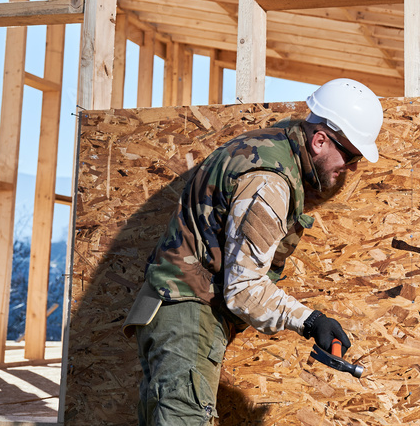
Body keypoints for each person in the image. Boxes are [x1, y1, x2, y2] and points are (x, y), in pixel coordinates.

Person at [123, 78, 384, 426]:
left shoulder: (270, 146)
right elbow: (243, 289)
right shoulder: (269, 182)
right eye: (351, 155)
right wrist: (310, 321)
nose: (352, 168)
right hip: (185, 319)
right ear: (320, 140)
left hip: (171, 313)